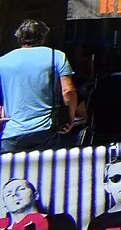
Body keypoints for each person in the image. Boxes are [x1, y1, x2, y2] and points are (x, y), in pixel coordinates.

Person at [0, 20, 83, 153]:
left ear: (18, 37)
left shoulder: (3, 61)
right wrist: (70, 118)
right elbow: (68, 90)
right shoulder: (56, 56)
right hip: (46, 130)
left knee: (11, 172)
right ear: (43, 36)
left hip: (12, 133)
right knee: (45, 171)